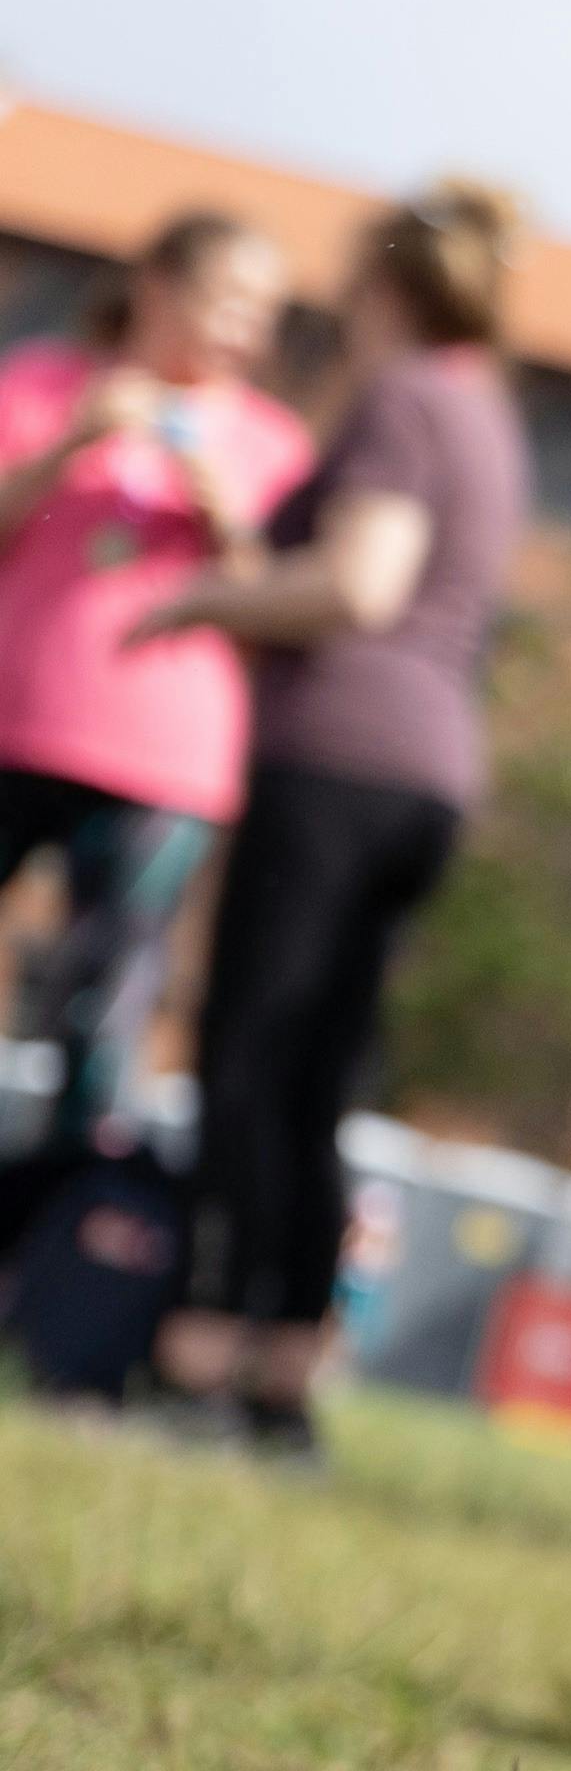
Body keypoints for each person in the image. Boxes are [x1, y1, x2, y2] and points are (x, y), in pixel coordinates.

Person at [135, 186, 530, 1445]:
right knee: (318, 1075)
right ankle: (286, 1374)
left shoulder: (407, 395)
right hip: (429, 776)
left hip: (338, 760)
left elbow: (361, 582)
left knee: (247, 1054)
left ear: (383, 290)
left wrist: (200, 600)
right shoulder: (487, 411)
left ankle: (199, 1358)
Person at [0, 210, 307, 1263]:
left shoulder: (272, 442)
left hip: (160, 762)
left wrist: (230, 523)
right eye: (226, 302)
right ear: (155, 283)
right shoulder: (40, 382)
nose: (241, 331)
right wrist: (77, 439)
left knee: (100, 1012)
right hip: (16, 719)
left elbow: (284, 608)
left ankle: (40, 1259)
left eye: (260, 316)